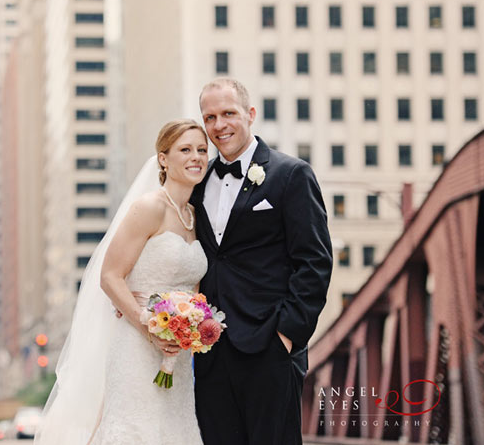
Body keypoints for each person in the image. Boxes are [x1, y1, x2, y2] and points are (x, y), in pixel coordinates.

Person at [36, 119, 209, 445]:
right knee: (135, 430)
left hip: (178, 354)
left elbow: (193, 285)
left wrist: (194, 324)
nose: (196, 156)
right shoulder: (149, 208)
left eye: (202, 150)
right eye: (185, 149)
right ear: (163, 158)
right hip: (136, 345)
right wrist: (149, 326)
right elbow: (110, 276)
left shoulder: (195, 217)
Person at [191, 78, 333, 445]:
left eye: (228, 113)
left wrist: (286, 334)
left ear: (250, 114)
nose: (219, 125)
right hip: (210, 351)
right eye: (210, 117)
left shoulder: (291, 175)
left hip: (268, 346)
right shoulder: (198, 180)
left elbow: (314, 261)